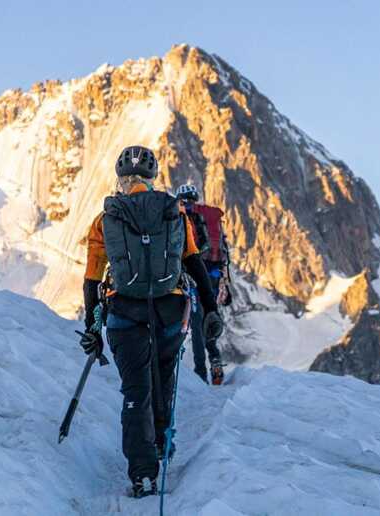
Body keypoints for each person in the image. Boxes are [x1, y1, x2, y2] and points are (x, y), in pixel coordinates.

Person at [79, 146, 223, 498]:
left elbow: (92, 278)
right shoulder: (174, 212)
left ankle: (143, 473)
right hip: (171, 310)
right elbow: (193, 263)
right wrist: (211, 309)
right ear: (151, 179)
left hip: (125, 313)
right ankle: (162, 444)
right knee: (163, 378)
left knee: (135, 391)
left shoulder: (104, 219)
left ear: (121, 180)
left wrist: (92, 328)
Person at [175, 184, 233, 385]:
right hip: (214, 276)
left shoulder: (185, 218)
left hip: (194, 276)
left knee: (198, 322)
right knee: (208, 317)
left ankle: (200, 373)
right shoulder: (207, 219)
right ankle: (214, 360)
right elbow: (220, 250)